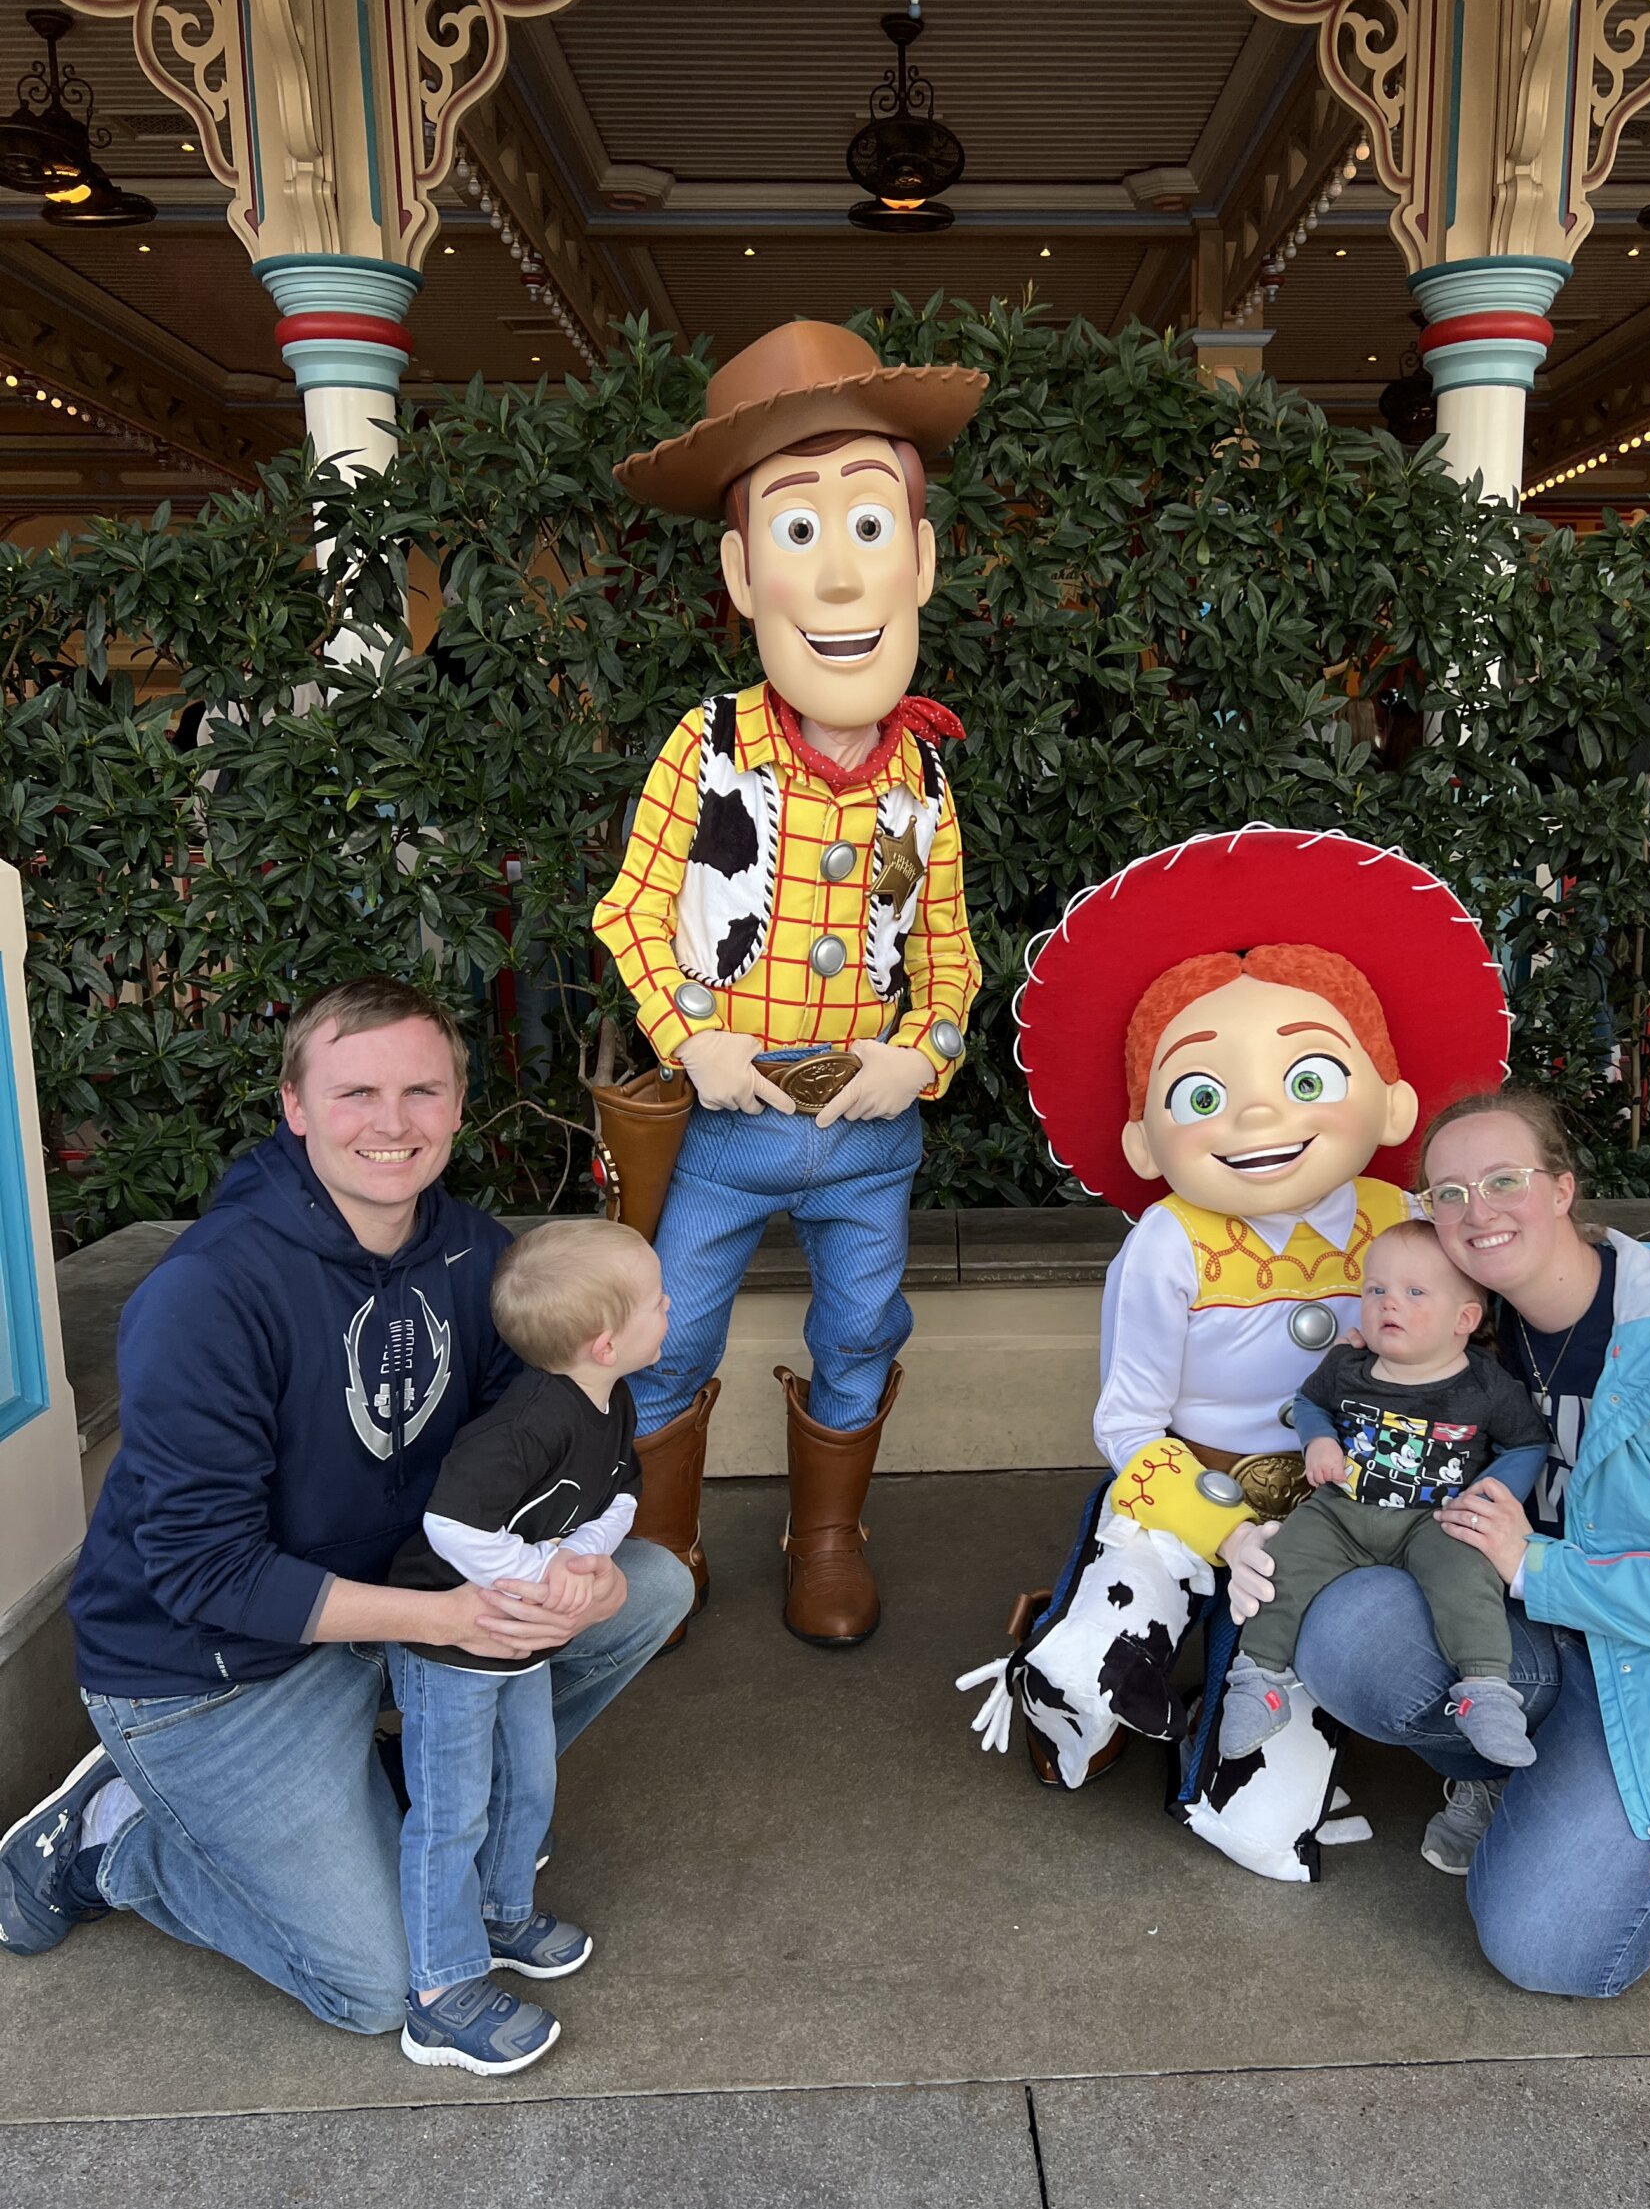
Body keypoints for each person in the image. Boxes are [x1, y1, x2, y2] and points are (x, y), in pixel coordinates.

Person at [0, 978, 694, 2037]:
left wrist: (583, 1569)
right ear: (295, 1105)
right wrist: (448, 1617)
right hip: (212, 1671)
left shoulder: (479, 1257)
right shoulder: (208, 1293)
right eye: (356, 1092)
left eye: (422, 1091)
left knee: (647, 1590)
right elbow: (201, 1569)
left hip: (396, 1610)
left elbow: (548, 1443)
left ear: (458, 1105)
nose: (391, 1122)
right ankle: (118, 1838)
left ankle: (395, 1792)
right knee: (375, 1986)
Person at [1226, 1086, 1650, 1996]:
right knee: (1347, 1631)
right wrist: (1259, 1539)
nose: (1475, 1211)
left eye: (1503, 1180)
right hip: (1557, 1637)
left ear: (1562, 1188)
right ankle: (1515, 1767)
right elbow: (1383, 1464)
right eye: (1447, 1193)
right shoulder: (1475, 1329)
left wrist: (1532, 1564)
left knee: (1546, 1952)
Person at [958, 827, 1511, 1816]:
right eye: (1204, 1093)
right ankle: (1070, 1683)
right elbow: (1128, 1422)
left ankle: (1253, 1751)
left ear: (1393, 1105)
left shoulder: (1403, 1220)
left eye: (1308, 1080)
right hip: (1193, 1486)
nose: (1257, 1118)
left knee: (1262, 1807)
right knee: (1102, 1644)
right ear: (1145, 1138)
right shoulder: (1167, 1243)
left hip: (1346, 1501)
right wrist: (1221, 1526)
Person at [593, 319, 986, 1649]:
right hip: (724, 1125)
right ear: (742, 571)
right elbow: (631, 911)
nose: (837, 574)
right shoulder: (705, 744)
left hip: (866, 1134)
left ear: (919, 556)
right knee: (670, 1334)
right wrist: (691, 1039)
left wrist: (920, 1054)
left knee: (864, 1328)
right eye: (799, 530)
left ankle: (825, 1536)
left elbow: (949, 953)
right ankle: (660, 1545)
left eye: (868, 527)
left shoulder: (923, 776)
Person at [384, 1221, 670, 2076]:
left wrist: (584, 1557)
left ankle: (503, 1913)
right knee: (451, 1813)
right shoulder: (525, 1425)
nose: (671, 1308)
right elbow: (451, 1525)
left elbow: (620, 1494)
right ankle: (439, 1993)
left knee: (528, 1779)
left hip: (522, 1640)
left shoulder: (611, 1399)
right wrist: (541, 1574)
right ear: (605, 1341)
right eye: (658, 1300)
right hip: (450, 1647)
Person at [1220, 1221, 1548, 1766]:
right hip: (1341, 1512)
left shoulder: (1487, 1386)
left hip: (1433, 1521)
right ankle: (1259, 1682)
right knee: (1282, 1564)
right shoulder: (1347, 1366)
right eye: (1376, 1290)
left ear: (1464, 1319)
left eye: (1415, 1292)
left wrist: (1490, 1496)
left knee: (1468, 1577)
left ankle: (1487, 1691)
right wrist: (1319, 1439)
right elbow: (1309, 1402)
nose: (1388, 1303)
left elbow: (1527, 1442)